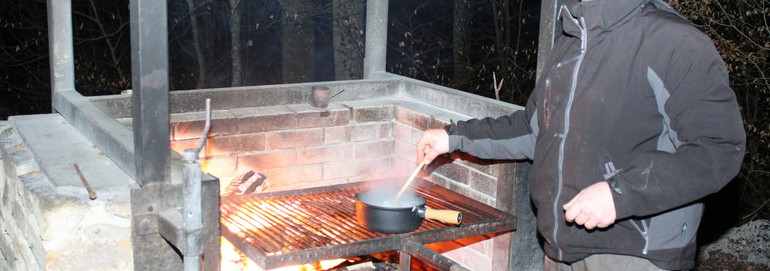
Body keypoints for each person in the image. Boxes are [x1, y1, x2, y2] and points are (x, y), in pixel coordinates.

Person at [415, 0, 746, 270]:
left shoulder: (673, 41)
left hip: (633, 254)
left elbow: (718, 150)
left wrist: (620, 194)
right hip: (563, 247)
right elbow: (534, 129)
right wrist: (453, 137)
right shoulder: (570, 43)